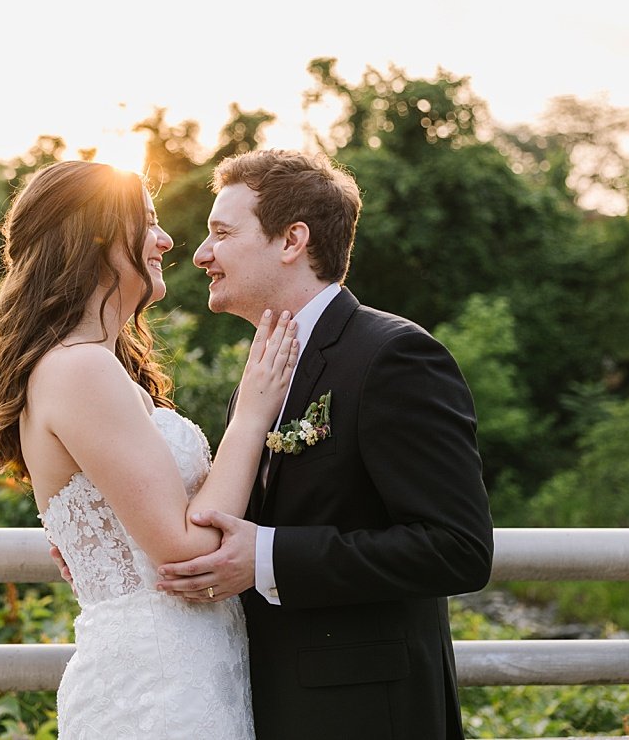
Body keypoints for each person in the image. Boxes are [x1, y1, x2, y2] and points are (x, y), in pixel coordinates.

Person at [155, 149, 494, 740]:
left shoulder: (394, 357)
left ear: (292, 240)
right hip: (265, 700)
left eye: (221, 233)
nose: (202, 254)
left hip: (365, 714)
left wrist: (267, 557)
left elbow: (457, 548)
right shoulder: (263, 368)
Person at [0, 159, 299, 740]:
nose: (168, 239)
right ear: (95, 237)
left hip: (189, 666)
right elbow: (181, 550)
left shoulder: (91, 365)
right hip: (157, 689)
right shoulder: (79, 369)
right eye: (147, 221)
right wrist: (251, 415)